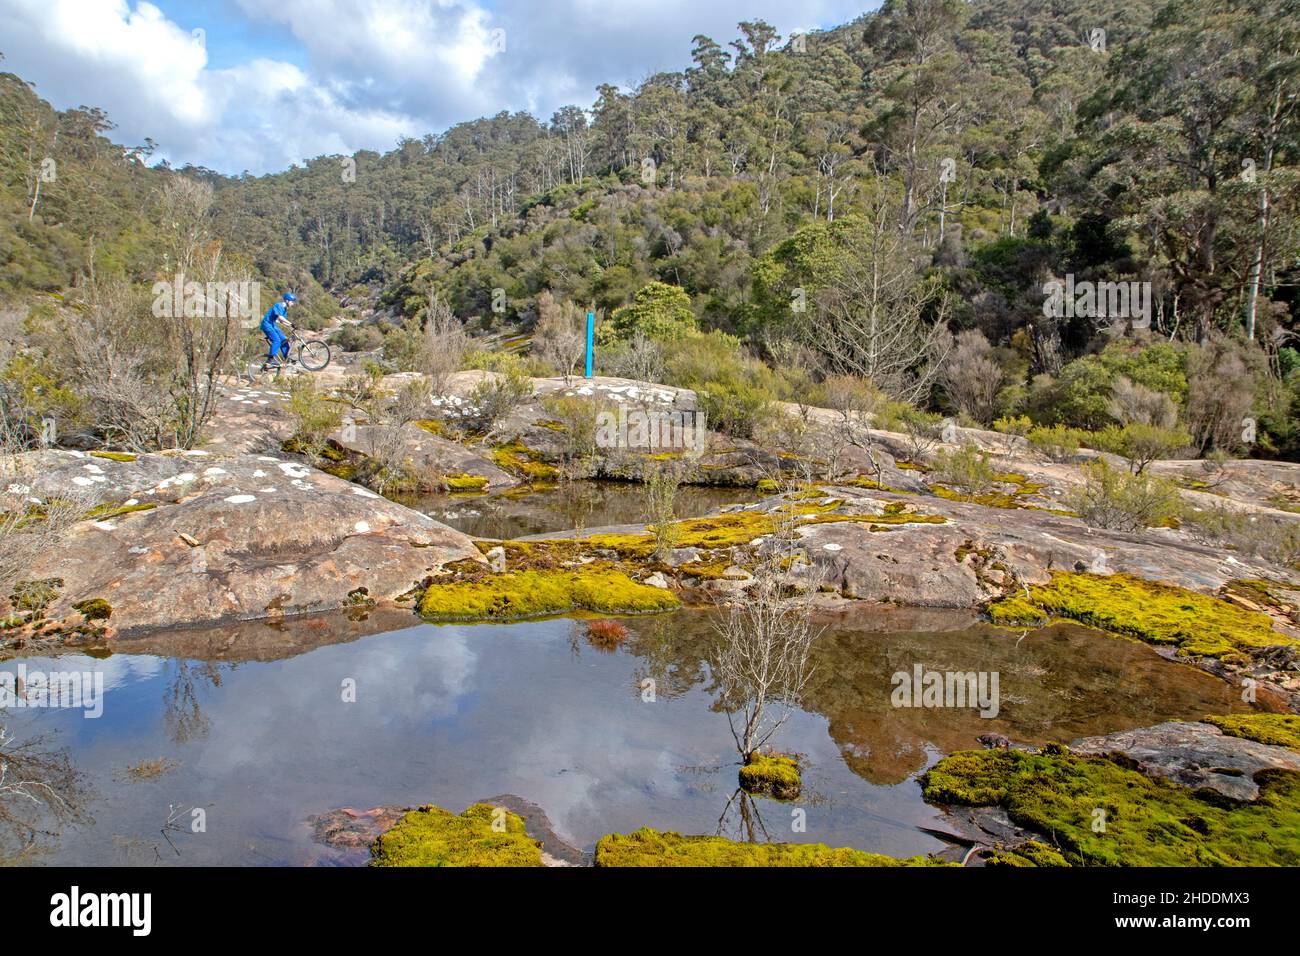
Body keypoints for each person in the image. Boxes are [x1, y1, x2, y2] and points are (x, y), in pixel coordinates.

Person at [260, 292, 297, 369]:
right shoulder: (278, 305)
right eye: (292, 301)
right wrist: (291, 323)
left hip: (273, 325)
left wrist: (291, 326)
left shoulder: (285, 309)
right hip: (267, 325)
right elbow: (280, 317)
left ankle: (287, 358)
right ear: (287, 301)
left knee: (285, 340)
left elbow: (282, 321)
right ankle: (270, 360)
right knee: (277, 341)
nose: (293, 304)